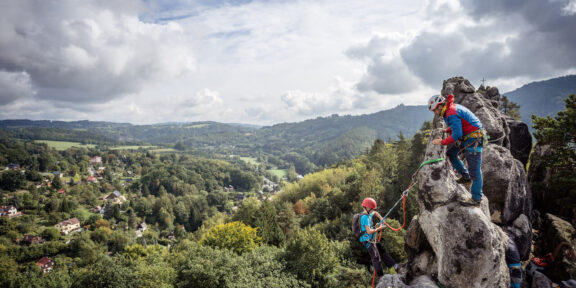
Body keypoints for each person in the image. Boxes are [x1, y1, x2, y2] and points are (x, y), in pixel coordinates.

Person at [428, 94, 485, 207]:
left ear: (439, 106)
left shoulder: (450, 112)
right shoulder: (450, 108)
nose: (435, 113)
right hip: (469, 136)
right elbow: (459, 124)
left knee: (475, 170)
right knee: (451, 153)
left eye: (434, 110)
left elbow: (457, 133)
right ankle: (465, 177)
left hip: (473, 139)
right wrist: (446, 130)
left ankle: (476, 199)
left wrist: (442, 142)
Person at [358, 197, 399, 277]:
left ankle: (395, 266)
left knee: (382, 251)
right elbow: (369, 231)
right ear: (367, 208)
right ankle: (381, 276)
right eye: (372, 209)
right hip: (367, 240)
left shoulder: (369, 213)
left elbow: (375, 213)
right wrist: (379, 228)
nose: (373, 211)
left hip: (371, 238)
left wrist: (381, 219)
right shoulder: (365, 218)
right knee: (375, 257)